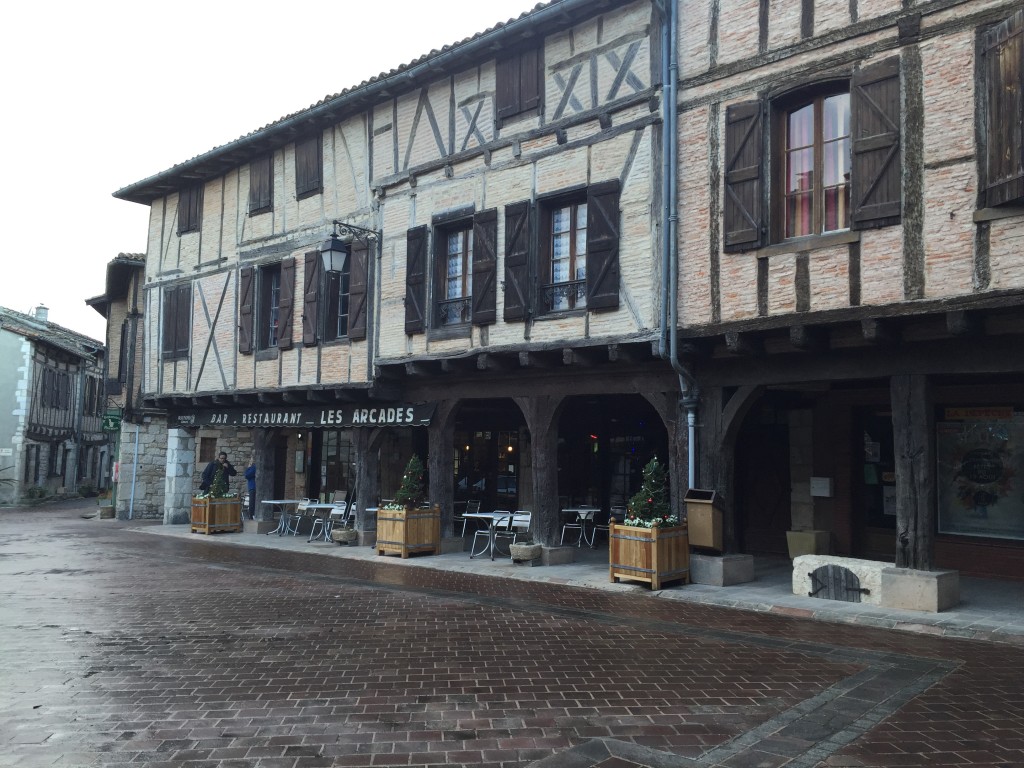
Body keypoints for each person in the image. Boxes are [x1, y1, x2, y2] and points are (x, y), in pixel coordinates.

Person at [244, 454, 257, 520]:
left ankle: (251, 516)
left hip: (253, 487)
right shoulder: (253, 467)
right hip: (252, 487)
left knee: (252, 503)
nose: (250, 461)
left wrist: (249, 467)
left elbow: (246, 475)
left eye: (251, 459)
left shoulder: (254, 467)